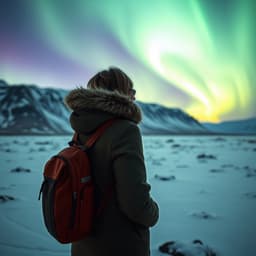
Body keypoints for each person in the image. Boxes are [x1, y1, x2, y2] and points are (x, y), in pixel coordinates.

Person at [65, 67, 159, 256]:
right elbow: (134, 202)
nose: (134, 97)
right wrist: (153, 212)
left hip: (83, 241)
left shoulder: (82, 129)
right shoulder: (125, 130)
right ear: (122, 94)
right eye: (131, 91)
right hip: (119, 244)